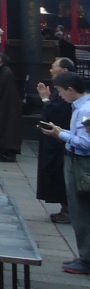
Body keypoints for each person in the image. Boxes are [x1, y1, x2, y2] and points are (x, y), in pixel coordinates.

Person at [39, 72, 90, 275]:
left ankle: (87, 259)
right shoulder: (81, 107)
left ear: (70, 89)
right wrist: (62, 132)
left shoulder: (85, 110)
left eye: (60, 91)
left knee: (82, 211)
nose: (59, 95)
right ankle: (84, 256)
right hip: (77, 161)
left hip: (81, 163)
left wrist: (60, 134)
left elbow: (86, 143)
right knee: (80, 211)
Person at [36, 57, 75, 224]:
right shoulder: (63, 90)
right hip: (60, 140)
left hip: (63, 141)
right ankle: (65, 209)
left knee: (62, 176)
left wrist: (45, 100)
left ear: (64, 70)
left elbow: (56, 114)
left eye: (54, 67)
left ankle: (68, 210)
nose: (51, 70)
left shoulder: (68, 92)